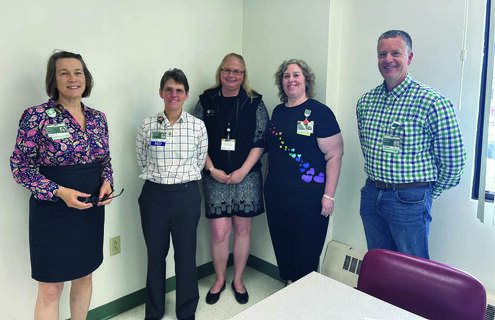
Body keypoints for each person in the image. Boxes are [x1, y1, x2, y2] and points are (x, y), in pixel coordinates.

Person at [10, 50, 114, 320]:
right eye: (64, 72)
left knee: (84, 276)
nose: (72, 78)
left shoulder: (98, 118)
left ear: (86, 78)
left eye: (78, 72)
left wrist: (107, 183)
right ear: (53, 79)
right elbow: (20, 168)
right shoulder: (36, 117)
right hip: (53, 212)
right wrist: (60, 192)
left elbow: (105, 161)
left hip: (90, 210)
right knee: (50, 288)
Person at [356, 30, 466, 259]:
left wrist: (426, 193)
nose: (387, 59)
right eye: (382, 54)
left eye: (395, 53)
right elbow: (366, 146)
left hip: (410, 200)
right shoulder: (365, 102)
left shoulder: (432, 102)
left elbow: (454, 161)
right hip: (372, 195)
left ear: (410, 57)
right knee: (379, 264)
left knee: (412, 270)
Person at [193, 53, 269, 304]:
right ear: (220, 72)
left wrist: (243, 171)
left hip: (246, 177)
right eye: (227, 70)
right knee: (219, 232)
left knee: (243, 228)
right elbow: (198, 140)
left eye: (237, 72)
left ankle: (238, 279)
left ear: (243, 75)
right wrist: (212, 169)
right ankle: (219, 279)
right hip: (216, 176)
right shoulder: (206, 100)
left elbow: (260, 140)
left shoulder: (255, 102)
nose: (231, 75)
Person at [136, 68, 207, 320]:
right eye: (169, 89)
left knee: (186, 255)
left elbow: (199, 162)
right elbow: (142, 159)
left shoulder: (197, 126)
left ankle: (186, 311)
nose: (173, 94)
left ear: (186, 95)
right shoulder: (148, 125)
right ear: (161, 92)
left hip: (186, 196)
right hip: (153, 196)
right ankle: (154, 311)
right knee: (155, 256)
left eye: (179, 90)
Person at [265, 59, 343, 284]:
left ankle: (304, 299)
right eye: (286, 76)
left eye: (296, 75)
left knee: (306, 251)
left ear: (306, 80)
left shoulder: (320, 112)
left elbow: (334, 155)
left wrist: (328, 196)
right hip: (276, 195)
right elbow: (274, 150)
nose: (291, 80)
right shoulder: (278, 111)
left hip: (309, 198)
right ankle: (289, 287)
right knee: (283, 247)